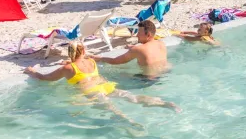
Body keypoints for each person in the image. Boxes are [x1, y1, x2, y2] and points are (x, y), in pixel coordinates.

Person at [24, 41, 179, 126]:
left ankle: (129, 122)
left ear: (69, 53)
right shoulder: (91, 61)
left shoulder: (67, 68)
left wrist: (32, 72)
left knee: (112, 109)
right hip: (106, 86)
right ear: (83, 51)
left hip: (92, 92)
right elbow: (79, 64)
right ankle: (164, 103)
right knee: (133, 97)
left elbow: (46, 78)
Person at [90, 20, 169, 78]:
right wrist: (134, 48)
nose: (136, 35)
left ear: (148, 35)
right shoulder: (161, 44)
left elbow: (116, 61)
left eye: (139, 33)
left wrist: (101, 58)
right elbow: (149, 52)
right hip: (164, 73)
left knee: (119, 75)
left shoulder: (139, 49)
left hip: (148, 80)